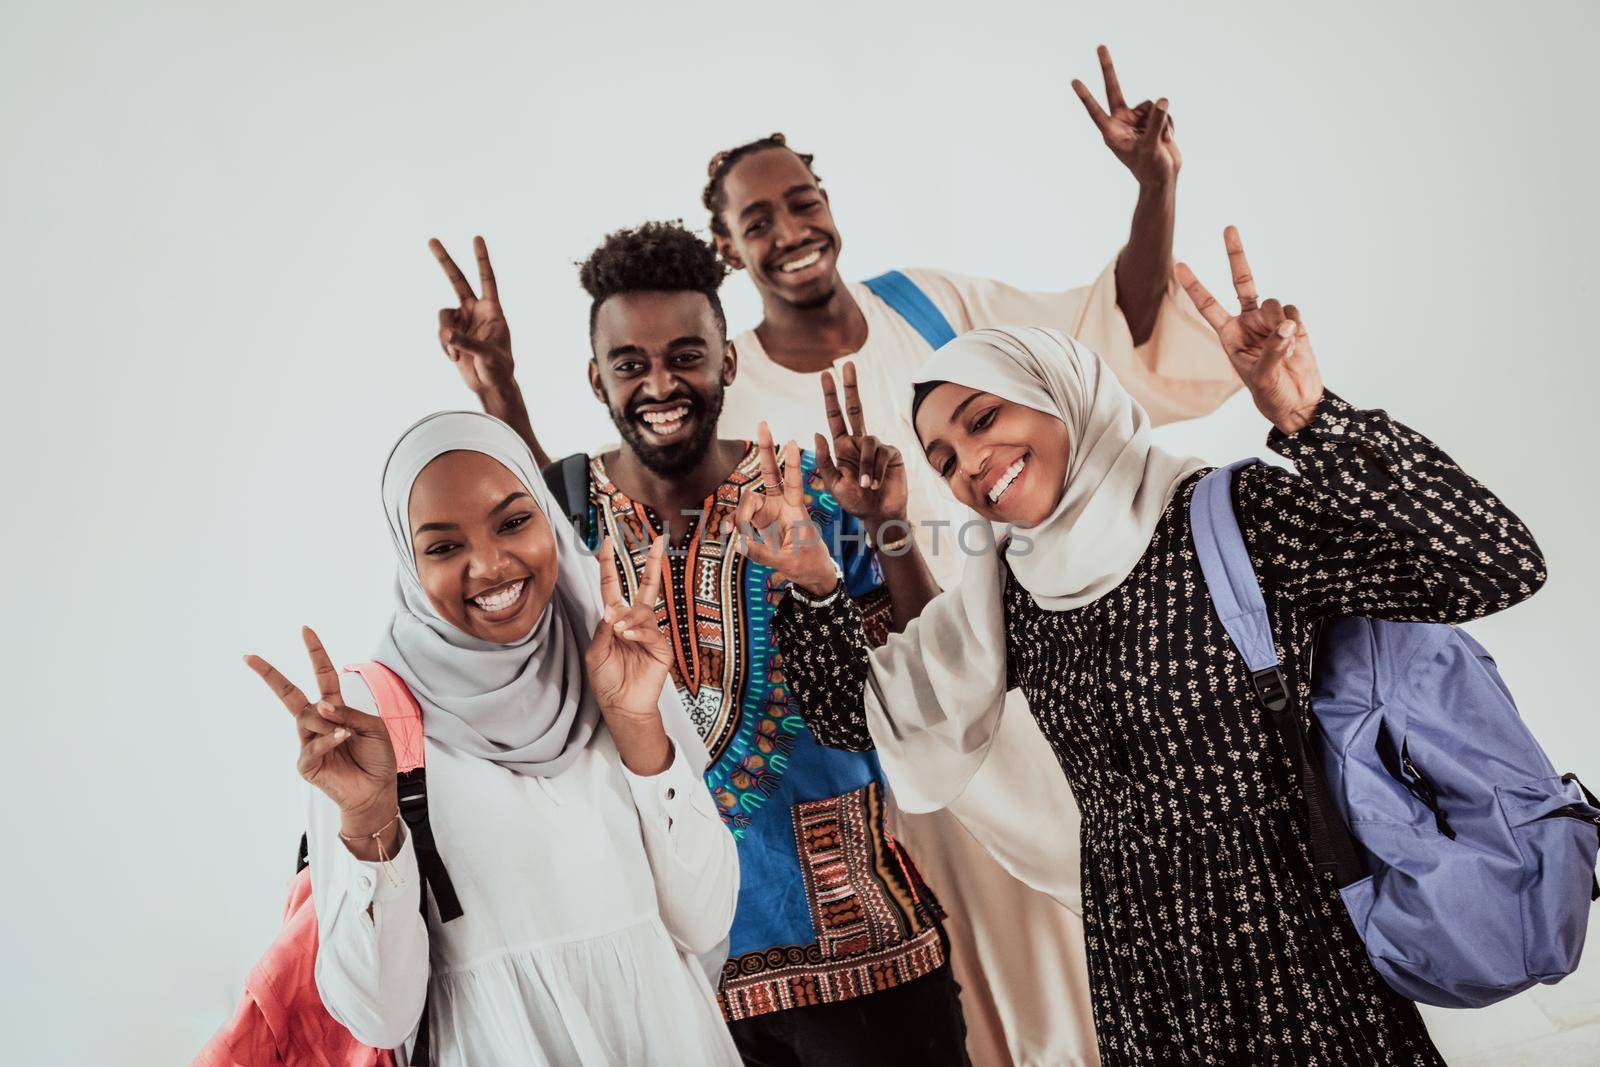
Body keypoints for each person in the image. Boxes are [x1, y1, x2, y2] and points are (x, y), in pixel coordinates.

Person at [758, 228, 1547, 1065]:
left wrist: (1311, 418)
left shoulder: (1234, 517)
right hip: (1144, 973)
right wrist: (815, 578)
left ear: (1057, 392)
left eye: (985, 417)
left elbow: (1488, 568)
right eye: (944, 458)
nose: (970, 465)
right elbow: (867, 717)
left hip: (1299, 949)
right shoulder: (1016, 588)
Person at [699, 46, 1240, 1067]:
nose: (789, 231)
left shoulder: (924, 302)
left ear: (829, 205)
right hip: (911, 723)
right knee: (986, 979)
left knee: (1099, 938)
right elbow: (646, 479)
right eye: (756, 220)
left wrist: (1153, 187)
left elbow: (1097, 338)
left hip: (1042, 678)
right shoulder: (734, 393)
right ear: (728, 250)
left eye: (801, 201)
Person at [429, 222, 972, 1065]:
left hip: (866, 960)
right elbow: (526, 509)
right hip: (676, 985)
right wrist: (498, 384)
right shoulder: (573, 515)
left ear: (728, 361)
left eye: (685, 355)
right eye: (630, 364)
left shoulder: (809, 493)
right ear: (596, 378)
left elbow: (926, 681)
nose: (659, 384)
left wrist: (886, 523)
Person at [244, 411, 741, 1066]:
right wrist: (367, 820)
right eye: (445, 547)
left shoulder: (610, 658)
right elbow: (380, 1012)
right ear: (408, 559)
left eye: (513, 521)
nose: (488, 564)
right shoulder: (369, 718)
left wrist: (640, 725)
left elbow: (705, 923)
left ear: (549, 521)